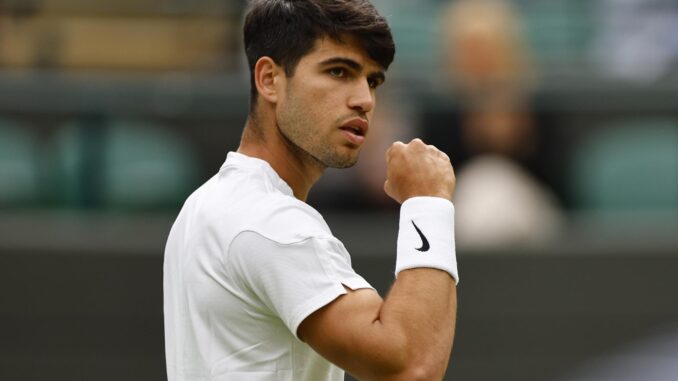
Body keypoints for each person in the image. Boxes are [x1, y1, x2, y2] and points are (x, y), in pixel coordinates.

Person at [163, 1, 459, 380]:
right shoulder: (268, 221)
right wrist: (428, 202)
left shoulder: (206, 204)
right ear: (269, 79)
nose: (364, 100)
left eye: (372, 80)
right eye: (338, 71)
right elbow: (411, 366)